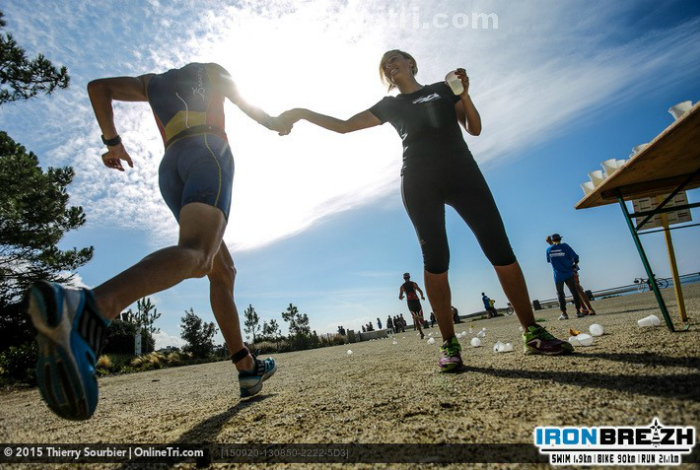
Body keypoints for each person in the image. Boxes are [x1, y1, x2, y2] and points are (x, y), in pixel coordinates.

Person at [24, 63, 289, 421]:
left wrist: (112, 142)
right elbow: (250, 105)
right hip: (208, 151)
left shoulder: (153, 83)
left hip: (171, 168)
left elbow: (98, 86)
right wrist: (276, 122)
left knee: (222, 270)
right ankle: (89, 307)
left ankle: (246, 366)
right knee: (199, 256)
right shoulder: (212, 70)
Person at [280, 49, 572, 371]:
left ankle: (531, 332)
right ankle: (449, 344)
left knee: (499, 249)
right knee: (435, 259)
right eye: (385, 65)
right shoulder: (389, 105)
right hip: (419, 181)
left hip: (463, 173)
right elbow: (344, 126)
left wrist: (465, 93)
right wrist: (301, 112)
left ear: (411, 64)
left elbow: (473, 128)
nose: (390, 66)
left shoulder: (442, 89)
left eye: (395, 60)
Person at [546, 236, 596, 315]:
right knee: (575, 290)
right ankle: (584, 308)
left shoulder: (563, 247)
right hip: (568, 270)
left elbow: (573, 257)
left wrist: (574, 266)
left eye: (549, 241)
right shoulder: (555, 248)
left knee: (577, 288)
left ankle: (589, 309)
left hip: (570, 270)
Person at [398, 273, 426, 339]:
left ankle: (421, 333)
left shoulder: (402, 286)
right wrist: (422, 296)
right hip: (416, 301)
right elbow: (420, 291)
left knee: (415, 319)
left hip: (410, 303)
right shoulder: (413, 283)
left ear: (404, 278)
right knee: (420, 317)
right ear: (409, 277)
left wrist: (402, 297)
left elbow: (400, 297)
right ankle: (421, 319)